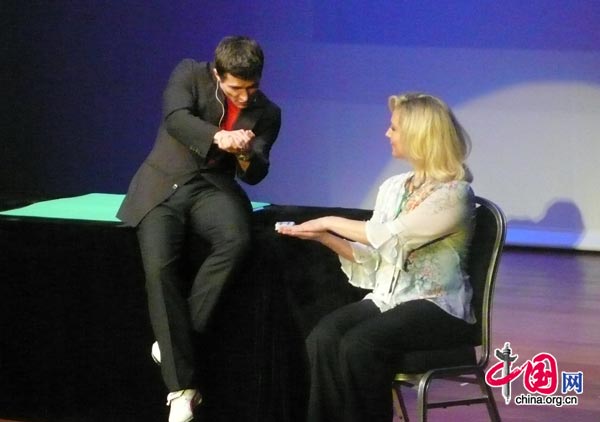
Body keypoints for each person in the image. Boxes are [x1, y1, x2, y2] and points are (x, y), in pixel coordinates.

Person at [276, 93, 475, 422]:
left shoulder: (455, 194)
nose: (387, 133)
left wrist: (328, 220)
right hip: (390, 299)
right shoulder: (394, 187)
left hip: (438, 306)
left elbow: (393, 234)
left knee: (360, 344)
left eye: (394, 127)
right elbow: (372, 258)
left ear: (419, 135)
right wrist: (325, 238)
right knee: (322, 338)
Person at [117, 36, 281, 422]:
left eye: (251, 87)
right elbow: (176, 119)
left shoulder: (268, 112)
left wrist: (243, 153)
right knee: (159, 268)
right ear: (217, 74)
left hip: (213, 187)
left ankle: (175, 341)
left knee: (237, 239)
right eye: (235, 88)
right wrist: (218, 136)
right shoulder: (188, 73)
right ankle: (182, 391)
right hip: (164, 184)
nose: (244, 97)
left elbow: (257, 173)